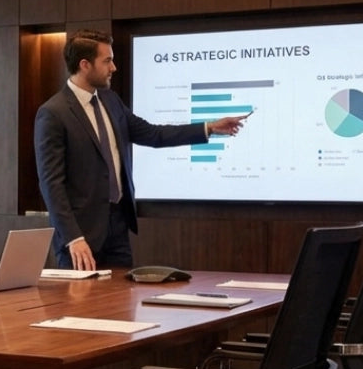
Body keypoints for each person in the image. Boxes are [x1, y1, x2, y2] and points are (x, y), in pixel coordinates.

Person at [34, 29, 248, 271]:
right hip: (80, 238)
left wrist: (209, 128)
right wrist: (73, 237)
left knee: (121, 305)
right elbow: (51, 184)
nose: (113, 67)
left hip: (118, 229)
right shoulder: (53, 113)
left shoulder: (110, 101)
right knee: (80, 308)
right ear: (85, 64)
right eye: (107, 61)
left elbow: (154, 134)